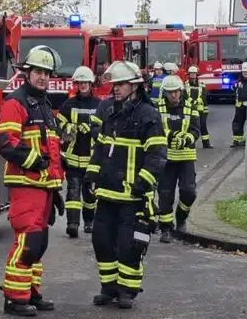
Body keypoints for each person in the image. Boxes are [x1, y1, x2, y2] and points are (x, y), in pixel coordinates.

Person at [85, 61, 167, 309]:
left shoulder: (148, 115)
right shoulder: (110, 113)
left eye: (120, 84)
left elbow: (157, 155)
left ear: (134, 86)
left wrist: (142, 185)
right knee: (101, 241)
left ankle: (127, 290)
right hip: (107, 194)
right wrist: (91, 175)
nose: (115, 89)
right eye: (114, 85)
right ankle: (108, 287)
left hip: (133, 196)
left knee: (128, 245)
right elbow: (100, 149)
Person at [0, 45, 66, 316]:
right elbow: (7, 144)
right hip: (26, 186)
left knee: (40, 244)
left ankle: (31, 292)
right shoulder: (16, 103)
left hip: (43, 188)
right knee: (28, 243)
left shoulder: (45, 105)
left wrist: (56, 187)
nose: (43, 77)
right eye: (38, 71)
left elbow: (53, 151)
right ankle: (14, 298)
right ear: (27, 73)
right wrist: (36, 162)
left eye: (47, 73)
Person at [57, 66, 102, 237]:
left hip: (92, 159)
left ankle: (89, 222)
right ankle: (73, 224)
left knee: (90, 194)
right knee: (73, 191)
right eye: (80, 82)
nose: (82, 85)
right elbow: (59, 125)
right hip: (73, 157)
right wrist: (71, 127)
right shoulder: (69, 104)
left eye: (85, 82)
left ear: (91, 83)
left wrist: (91, 129)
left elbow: (103, 128)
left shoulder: (99, 105)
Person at [155, 75, 201, 242]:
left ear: (181, 91)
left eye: (175, 92)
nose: (173, 95)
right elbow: (156, 130)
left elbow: (196, 130)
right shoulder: (157, 108)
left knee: (189, 191)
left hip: (186, 156)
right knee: (165, 194)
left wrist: (186, 139)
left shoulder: (191, 106)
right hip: (165, 159)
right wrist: (171, 136)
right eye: (170, 92)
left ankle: (181, 217)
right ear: (165, 93)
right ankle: (165, 228)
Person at [185, 66, 213, 149]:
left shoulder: (201, 84)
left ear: (197, 74)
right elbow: (185, 95)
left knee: (203, 126)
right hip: (189, 108)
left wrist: (198, 101)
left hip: (201, 109)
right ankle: (190, 143)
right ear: (189, 74)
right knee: (190, 126)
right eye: (191, 74)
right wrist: (193, 102)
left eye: (194, 73)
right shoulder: (186, 84)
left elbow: (204, 95)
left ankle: (206, 143)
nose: (193, 75)